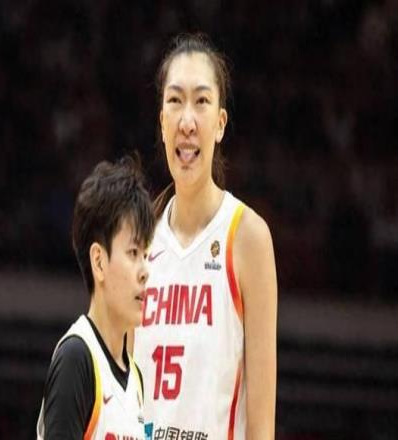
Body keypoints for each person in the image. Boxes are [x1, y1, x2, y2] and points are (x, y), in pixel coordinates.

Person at [133, 34, 277, 439]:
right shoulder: (139, 241)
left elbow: (261, 424)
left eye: (201, 101)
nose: (187, 121)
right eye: (175, 101)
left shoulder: (247, 237)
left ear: (220, 124)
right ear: (162, 123)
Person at [36, 156, 155, 440]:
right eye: (133, 253)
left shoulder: (135, 378)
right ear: (99, 262)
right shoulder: (76, 359)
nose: (145, 271)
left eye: (147, 255)